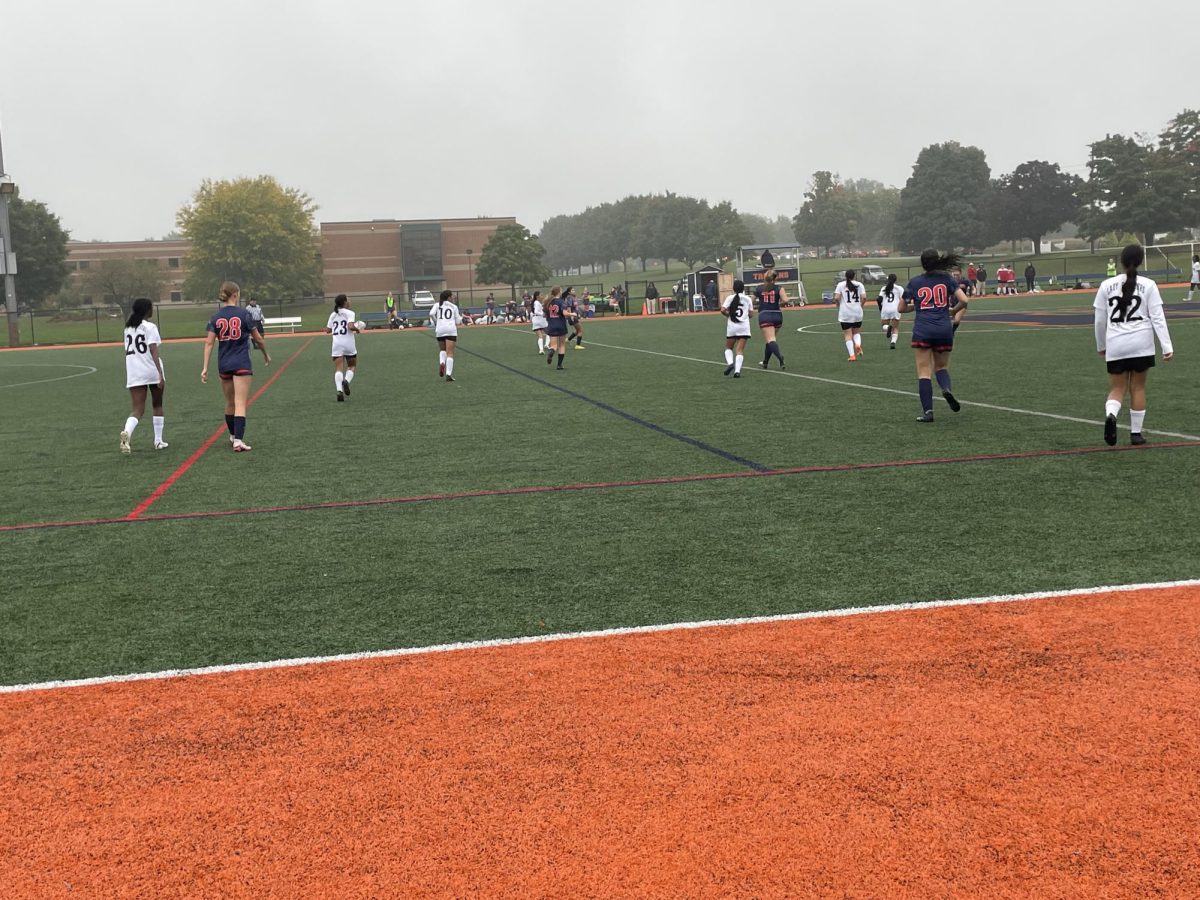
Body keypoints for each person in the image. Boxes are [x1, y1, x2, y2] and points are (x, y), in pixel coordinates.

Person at [1094, 244, 1174, 446]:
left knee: (1117, 388)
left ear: (1121, 261)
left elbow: (1100, 320)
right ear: (1140, 261)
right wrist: (1167, 346)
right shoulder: (1149, 285)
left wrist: (1101, 345)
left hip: (1116, 344)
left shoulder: (1106, 285)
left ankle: (1111, 415)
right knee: (1137, 388)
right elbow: (1158, 318)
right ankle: (1136, 434)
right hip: (1141, 344)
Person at [898, 250, 969, 423]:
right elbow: (965, 300)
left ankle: (928, 412)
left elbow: (901, 308)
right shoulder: (947, 279)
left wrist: (917, 306)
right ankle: (946, 388)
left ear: (923, 264)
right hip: (944, 328)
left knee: (924, 371)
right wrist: (953, 310)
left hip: (923, 329)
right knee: (942, 366)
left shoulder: (915, 282)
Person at [201, 281, 270, 452]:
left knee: (229, 402)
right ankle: (238, 440)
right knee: (240, 403)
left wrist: (205, 367)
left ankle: (233, 436)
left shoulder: (215, 317)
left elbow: (209, 343)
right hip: (241, 362)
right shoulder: (244, 314)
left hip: (224, 363)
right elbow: (258, 338)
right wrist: (265, 354)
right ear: (235, 295)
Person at [119, 297, 167, 454]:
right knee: (157, 405)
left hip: (134, 371)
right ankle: (158, 441)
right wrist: (160, 373)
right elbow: (153, 350)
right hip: (151, 369)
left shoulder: (127, 328)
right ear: (147, 310)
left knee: (137, 410)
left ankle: (127, 432)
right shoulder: (150, 327)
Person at [326, 293, 362, 402]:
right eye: (348, 299)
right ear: (345, 302)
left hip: (337, 344)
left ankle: (339, 391)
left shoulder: (333, 315)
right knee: (351, 365)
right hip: (348, 343)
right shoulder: (350, 313)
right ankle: (346, 381)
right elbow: (350, 326)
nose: (349, 301)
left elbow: (328, 330)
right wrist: (357, 329)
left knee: (338, 369)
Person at [755, 269, 787, 369]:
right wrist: (777, 304)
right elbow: (786, 300)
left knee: (770, 340)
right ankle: (765, 362)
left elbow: (750, 301)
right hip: (777, 315)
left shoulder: (759, 288)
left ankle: (780, 359)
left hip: (765, 315)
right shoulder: (779, 288)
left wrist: (759, 304)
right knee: (770, 340)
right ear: (775, 278)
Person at [721, 279, 753, 378]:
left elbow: (722, 310)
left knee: (728, 348)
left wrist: (729, 315)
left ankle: (730, 363)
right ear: (743, 288)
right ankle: (737, 371)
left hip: (732, 326)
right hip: (744, 327)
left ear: (733, 288)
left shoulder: (730, 298)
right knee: (739, 350)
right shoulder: (748, 299)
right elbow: (751, 314)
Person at [834, 269, 868, 361]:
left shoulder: (841, 285)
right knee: (856, 332)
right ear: (854, 276)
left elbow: (836, 297)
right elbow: (864, 297)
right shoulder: (860, 285)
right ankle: (857, 344)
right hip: (857, 312)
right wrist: (861, 305)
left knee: (847, 334)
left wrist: (838, 304)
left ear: (845, 276)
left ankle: (852, 355)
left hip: (846, 313)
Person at [433, 289, 463, 382]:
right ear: (449, 297)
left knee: (442, 350)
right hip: (450, 330)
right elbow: (458, 322)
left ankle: (442, 362)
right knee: (450, 352)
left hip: (440, 330)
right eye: (452, 296)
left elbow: (431, 314)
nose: (453, 297)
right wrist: (460, 318)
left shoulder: (437, 305)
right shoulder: (454, 307)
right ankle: (448, 374)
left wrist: (436, 322)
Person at [544, 286, 569, 369]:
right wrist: (573, 314)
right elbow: (565, 313)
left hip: (552, 325)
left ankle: (551, 351)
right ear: (559, 292)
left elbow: (546, 314)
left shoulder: (548, 302)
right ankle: (559, 365)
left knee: (554, 345)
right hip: (561, 325)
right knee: (562, 345)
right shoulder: (561, 301)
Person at [877, 274, 902, 350]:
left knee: (884, 325)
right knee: (895, 327)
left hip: (885, 309)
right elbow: (903, 299)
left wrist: (880, 307)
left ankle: (888, 328)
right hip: (895, 309)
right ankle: (893, 342)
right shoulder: (899, 288)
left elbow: (879, 299)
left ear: (888, 280)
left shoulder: (884, 288)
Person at [529, 290, 549, 354]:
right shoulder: (537, 302)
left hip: (536, 320)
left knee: (540, 336)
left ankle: (541, 350)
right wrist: (543, 314)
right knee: (549, 332)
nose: (542, 296)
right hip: (540, 319)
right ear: (537, 296)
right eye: (541, 295)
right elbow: (536, 311)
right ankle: (546, 345)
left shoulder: (536, 302)